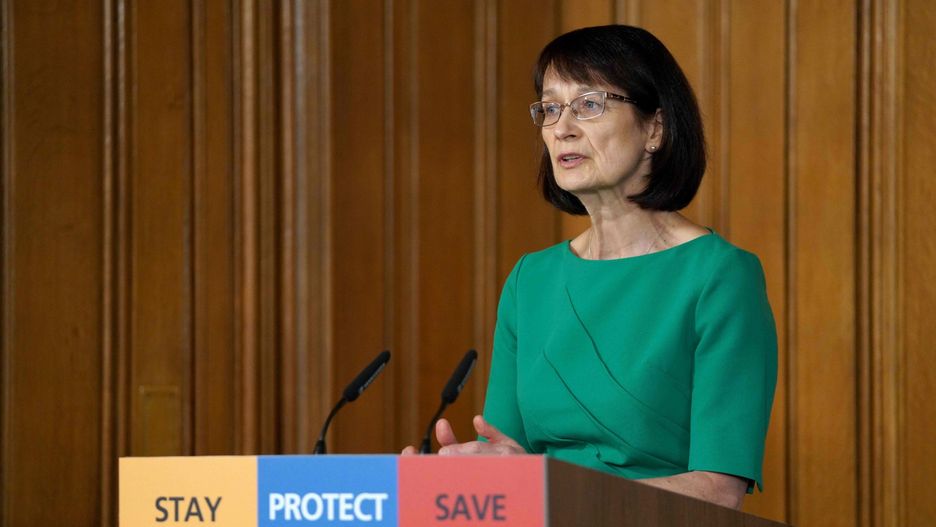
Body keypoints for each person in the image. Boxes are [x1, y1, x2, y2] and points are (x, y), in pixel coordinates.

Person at [403, 24, 777, 510]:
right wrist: (445, 481)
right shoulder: (530, 281)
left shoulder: (720, 277)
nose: (562, 127)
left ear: (655, 128)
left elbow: (718, 492)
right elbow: (509, 459)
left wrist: (547, 487)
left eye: (589, 104)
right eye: (550, 108)